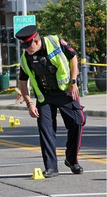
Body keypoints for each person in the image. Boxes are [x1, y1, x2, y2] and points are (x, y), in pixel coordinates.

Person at [16, 25, 86, 178]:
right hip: (45, 97)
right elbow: (22, 81)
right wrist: (29, 103)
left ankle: (71, 159)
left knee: (77, 122)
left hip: (65, 92)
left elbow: (73, 57)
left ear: (36, 40)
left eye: (29, 45)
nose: (27, 49)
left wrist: (73, 82)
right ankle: (51, 167)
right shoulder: (26, 58)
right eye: (25, 46)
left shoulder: (55, 42)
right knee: (46, 130)